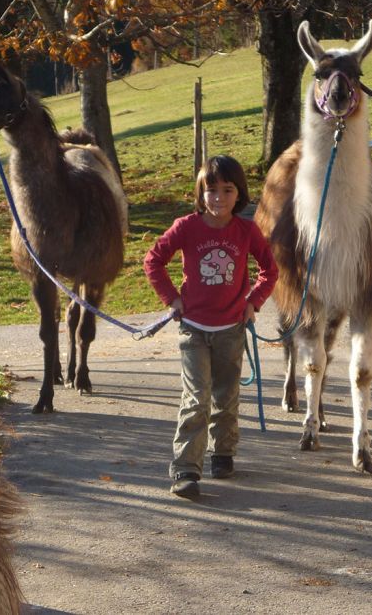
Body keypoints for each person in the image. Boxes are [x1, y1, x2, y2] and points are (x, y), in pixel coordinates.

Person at [144, 155, 278, 499]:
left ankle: (223, 452)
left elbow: (270, 271)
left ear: (239, 194)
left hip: (231, 329)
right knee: (197, 397)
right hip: (193, 329)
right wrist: (172, 298)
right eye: (211, 190)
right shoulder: (186, 227)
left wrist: (253, 302)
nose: (218, 198)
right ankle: (186, 468)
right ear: (200, 193)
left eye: (227, 190)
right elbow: (153, 260)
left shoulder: (247, 231)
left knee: (226, 394)